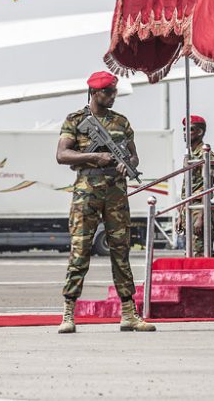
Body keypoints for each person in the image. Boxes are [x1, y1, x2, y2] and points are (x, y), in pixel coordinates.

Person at [55, 71, 154, 333]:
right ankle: (68, 312)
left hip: (116, 193)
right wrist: (94, 157)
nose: (114, 96)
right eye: (109, 92)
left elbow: (134, 157)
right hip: (86, 191)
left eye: (114, 91)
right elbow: (62, 154)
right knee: (80, 250)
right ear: (95, 93)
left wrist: (127, 164)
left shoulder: (121, 122)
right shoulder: (75, 120)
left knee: (121, 251)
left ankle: (129, 313)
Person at [177, 115, 214, 257]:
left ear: (200, 132)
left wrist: (202, 216)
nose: (185, 133)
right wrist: (180, 213)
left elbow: (208, 187)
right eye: (184, 129)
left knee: (200, 253)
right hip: (189, 208)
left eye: (190, 129)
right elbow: (186, 186)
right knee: (189, 253)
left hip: (199, 208)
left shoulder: (206, 155)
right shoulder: (189, 155)